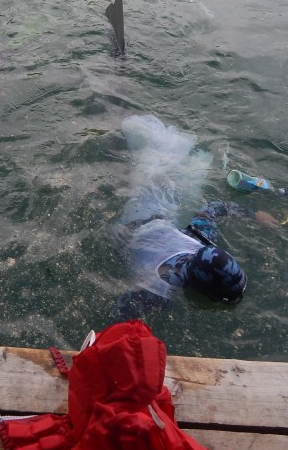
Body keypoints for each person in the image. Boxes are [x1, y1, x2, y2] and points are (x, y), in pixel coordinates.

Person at [111, 115, 278, 319]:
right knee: (156, 173)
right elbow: (117, 316)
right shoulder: (156, 292)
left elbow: (214, 208)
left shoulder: (199, 241)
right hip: (128, 231)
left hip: (155, 219)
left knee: (160, 175)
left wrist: (254, 214)